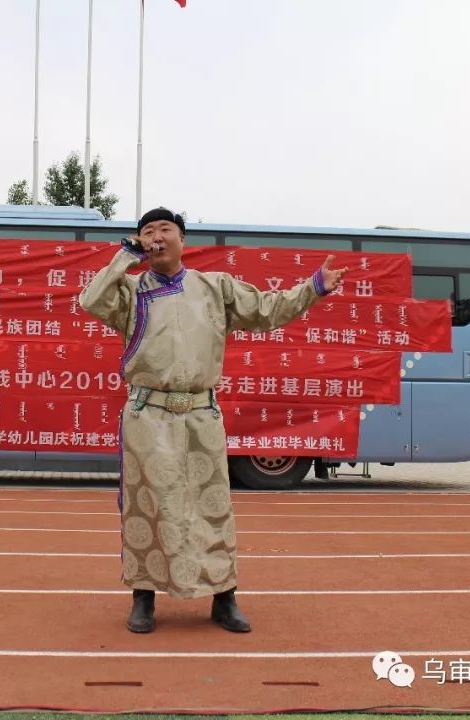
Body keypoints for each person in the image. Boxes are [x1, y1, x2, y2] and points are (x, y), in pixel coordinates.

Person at [78, 207, 347, 634]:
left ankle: (224, 598)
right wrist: (124, 258)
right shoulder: (129, 292)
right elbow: (90, 300)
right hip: (148, 415)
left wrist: (313, 288)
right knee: (147, 507)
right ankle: (143, 598)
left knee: (212, 507)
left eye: (165, 229)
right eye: (147, 231)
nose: (156, 236)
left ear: (183, 240)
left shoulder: (213, 287)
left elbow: (267, 310)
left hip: (202, 413)